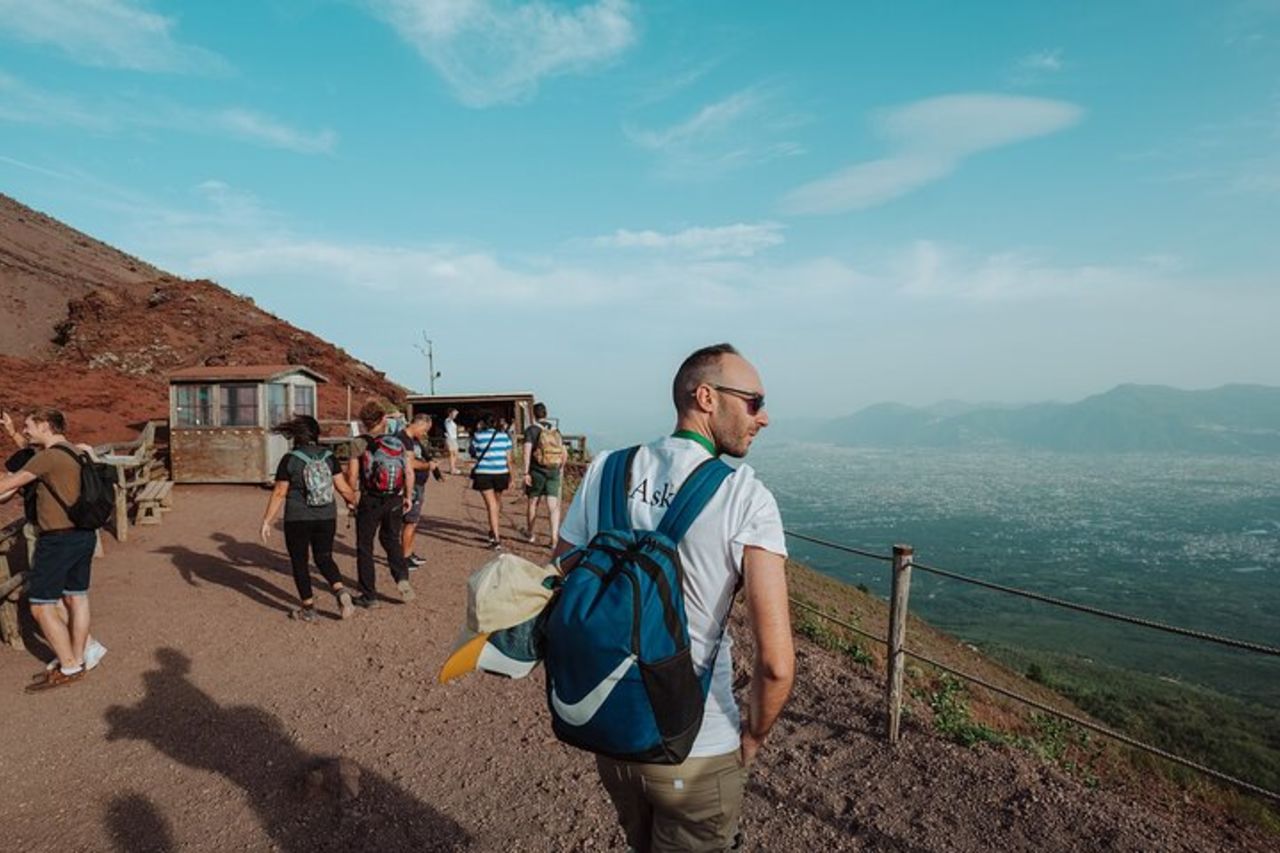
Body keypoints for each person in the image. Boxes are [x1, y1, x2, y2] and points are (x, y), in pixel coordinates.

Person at [554, 343, 794, 852]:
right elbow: (776, 665)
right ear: (706, 397)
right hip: (698, 746)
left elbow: (563, 575)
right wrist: (752, 738)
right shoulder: (745, 497)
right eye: (754, 401)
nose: (764, 417)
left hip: (612, 731)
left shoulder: (605, 470)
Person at [0, 408, 107, 693]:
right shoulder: (76, 451)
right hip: (83, 535)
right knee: (77, 597)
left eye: (28, 425)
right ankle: (78, 659)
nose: (25, 430)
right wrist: (12, 433)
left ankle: (69, 666)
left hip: (57, 540)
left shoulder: (47, 457)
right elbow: (29, 453)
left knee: (40, 606)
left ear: (45, 426)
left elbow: (8, 484)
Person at [259, 415, 359, 622]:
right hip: (326, 516)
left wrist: (267, 520)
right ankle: (340, 590)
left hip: (297, 517)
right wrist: (352, 502)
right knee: (324, 557)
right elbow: (343, 488)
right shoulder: (329, 457)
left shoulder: (289, 459)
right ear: (316, 434)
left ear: (296, 435)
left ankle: (308, 608)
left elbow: (279, 492)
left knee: (300, 562)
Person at [345, 401, 415, 608]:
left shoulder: (358, 443)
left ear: (364, 422)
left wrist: (351, 499)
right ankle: (402, 577)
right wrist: (408, 497)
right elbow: (408, 472)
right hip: (394, 498)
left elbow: (352, 475)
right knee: (391, 539)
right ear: (383, 419)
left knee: (365, 546)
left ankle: (369, 595)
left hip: (370, 499)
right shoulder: (397, 443)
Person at [395, 413, 440, 571]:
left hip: (418, 484)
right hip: (411, 486)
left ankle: (409, 552)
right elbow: (410, 464)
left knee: (413, 521)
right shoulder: (404, 439)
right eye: (425, 429)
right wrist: (428, 466)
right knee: (410, 521)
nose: (425, 433)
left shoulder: (412, 439)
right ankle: (405, 557)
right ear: (419, 424)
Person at [522, 402, 566, 549]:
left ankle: (530, 533)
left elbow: (527, 452)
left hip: (537, 472)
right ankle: (554, 538)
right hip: (553, 471)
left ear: (534, 415)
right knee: (553, 506)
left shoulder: (531, 430)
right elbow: (564, 453)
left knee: (533, 502)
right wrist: (560, 468)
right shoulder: (555, 430)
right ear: (546, 414)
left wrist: (526, 473)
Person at [468, 416, 513, 549]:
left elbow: (473, 453)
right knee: (496, 503)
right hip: (501, 473)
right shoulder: (504, 437)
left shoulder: (478, 436)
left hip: (484, 473)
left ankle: (496, 538)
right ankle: (494, 530)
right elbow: (509, 459)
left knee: (491, 504)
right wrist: (512, 477)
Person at [444, 408, 461, 475]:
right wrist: (453, 413)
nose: (455, 415)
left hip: (454, 438)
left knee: (455, 454)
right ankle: (452, 469)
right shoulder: (447, 420)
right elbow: (450, 419)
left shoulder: (452, 422)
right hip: (450, 438)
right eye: (454, 414)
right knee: (452, 454)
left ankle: (453, 467)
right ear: (450, 413)